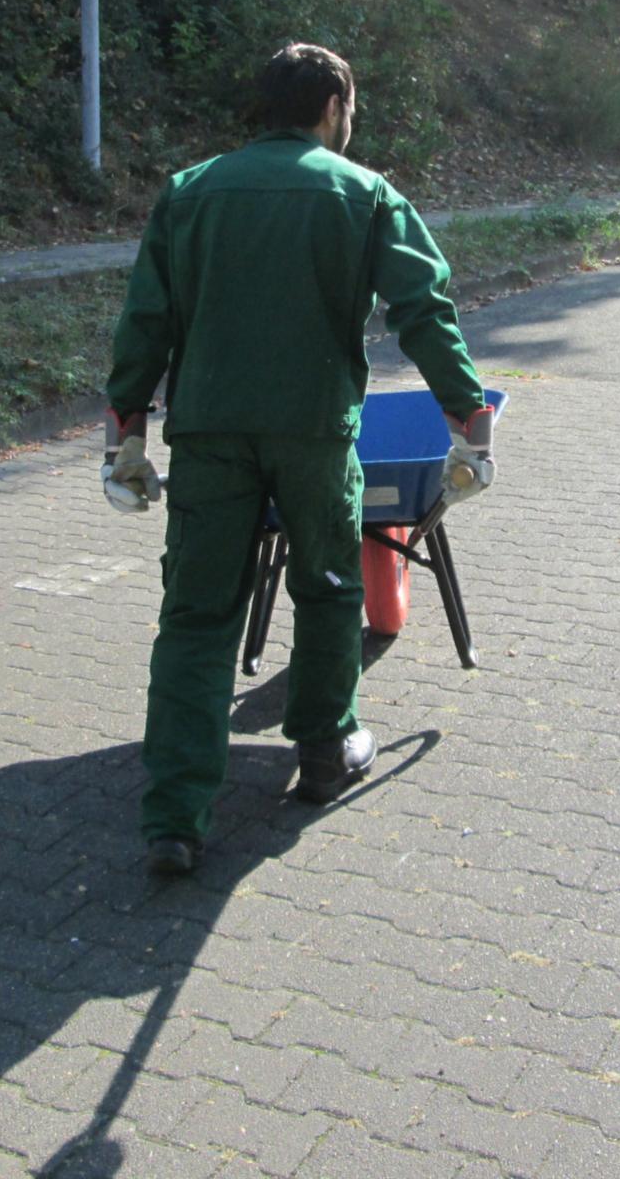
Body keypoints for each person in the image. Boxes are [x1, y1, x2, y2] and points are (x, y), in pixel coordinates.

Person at [102, 42, 497, 877]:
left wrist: (125, 430)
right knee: (325, 584)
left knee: (198, 613)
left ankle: (175, 814)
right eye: (349, 111)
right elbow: (422, 309)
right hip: (314, 432)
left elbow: (146, 321)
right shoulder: (364, 194)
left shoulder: (191, 191)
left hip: (207, 432)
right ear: (331, 109)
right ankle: (322, 752)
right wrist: (468, 417)